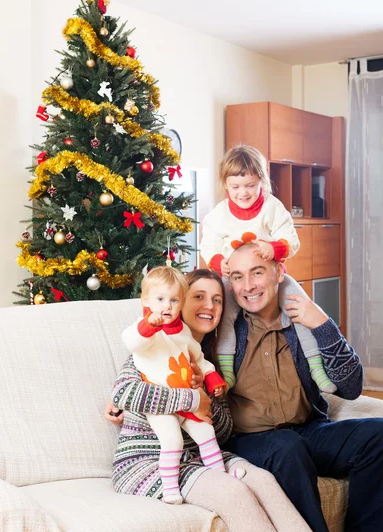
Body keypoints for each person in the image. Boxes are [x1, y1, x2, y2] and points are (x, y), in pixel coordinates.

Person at [107, 269, 311, 532]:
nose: (208, 305)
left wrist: (207, 395)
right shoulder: (154, 345)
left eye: (217, 300)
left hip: (200, 458)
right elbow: (124, 393)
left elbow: (224, 430)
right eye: (199, 296)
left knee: (264, 482)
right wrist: (192, 398)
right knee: (234, 494)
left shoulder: (211, 363)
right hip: (146, 462)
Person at [223, 242, 383, 532]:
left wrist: (323, 325)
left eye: (257, 272)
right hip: (246, 440)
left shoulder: (303, 320)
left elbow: (350, 388)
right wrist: (125, 395)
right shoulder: (223, 328)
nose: (248, 286)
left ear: (279, 272)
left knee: (379, 434)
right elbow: (168, 340)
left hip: (308, 431)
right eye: (237, 276)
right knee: (288, 447)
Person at [200, 145, 337, 394]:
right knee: (226, 319)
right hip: (234, 280)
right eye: (235, 187)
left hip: (272, 279)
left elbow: (291, 239)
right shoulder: (218, 215)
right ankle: (228, 372)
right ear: (225, 185)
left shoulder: (272, 207)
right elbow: (207, 245)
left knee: (301, 307)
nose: (243, 193)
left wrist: (274, 248)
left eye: (250, 185)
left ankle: (316, 367)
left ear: (262, 181)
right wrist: (222, 263)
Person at [121, 266, 227, 505]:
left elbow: (198, 357)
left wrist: (211, 379)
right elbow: (131, 342)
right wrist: (149, 325)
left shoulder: (183, 332)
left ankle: (220, 475)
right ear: (146, 300)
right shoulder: (146, 330)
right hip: (162, 405)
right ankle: (170, 489)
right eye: (160, 299)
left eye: (173, 300)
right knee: (172, 440)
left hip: (186, 395)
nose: (166, 306)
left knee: (207, 433)